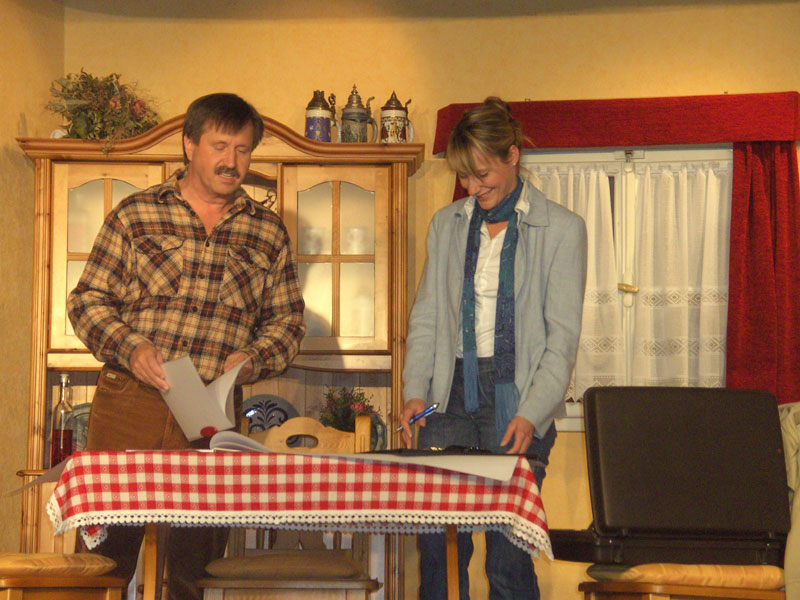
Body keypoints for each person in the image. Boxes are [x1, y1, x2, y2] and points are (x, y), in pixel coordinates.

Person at [67, 92, 305, 599]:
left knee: (195, 567)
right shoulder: (135, 214)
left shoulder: (267, 232)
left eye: (243, 150)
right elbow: (87, 301)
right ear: (189, 145)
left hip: (210, 409)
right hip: (131, 402)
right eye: (220, 146)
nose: (232, 161)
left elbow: (288, 324)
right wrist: (131, 347)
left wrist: (254, 359)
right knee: (102, 563)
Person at [399, 97, 587, 600]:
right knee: (438, 555)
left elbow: (561, 339)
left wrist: (531, 412)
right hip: (449, 396)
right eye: (464, 176)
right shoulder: (447, 225)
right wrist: (415, 392)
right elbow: (427, 318)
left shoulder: (563, 229)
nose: (472, 188)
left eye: (482, 174)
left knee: (507, 560)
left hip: (516, 401)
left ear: (513, 156)